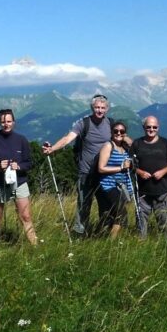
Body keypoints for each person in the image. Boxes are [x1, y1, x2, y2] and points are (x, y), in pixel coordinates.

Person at [42, 94, 123, 237]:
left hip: (104, 173)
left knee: (105, 206)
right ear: (92, 108)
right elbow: (68, 138)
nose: (99, 110)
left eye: (102, 108)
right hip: (86, 172)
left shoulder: (110, 124)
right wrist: (53, 148)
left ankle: (102, 232)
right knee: (83, 205)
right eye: (97, 107)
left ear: (107, 109)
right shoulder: (83, 123)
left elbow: (120, 137)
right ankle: (80, 235)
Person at [0, 109, 37, 248]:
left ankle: (35, 246)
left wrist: (19, 166)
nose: (6, 124)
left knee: (26, 216)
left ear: (14, 122)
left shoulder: (21, 140)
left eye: (9, 121)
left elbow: (29, 163)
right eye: (3, 122)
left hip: (19, 182)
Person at [130, 115, 167, 238]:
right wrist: (140, 172)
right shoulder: (137, 143)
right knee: (141, 225)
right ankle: (141, 248)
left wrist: (162, 172)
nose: (151, 129)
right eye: (148, 127)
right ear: (143, 127)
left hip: (161, 191)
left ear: (158, 127)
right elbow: (129, 165)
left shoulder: (164, 142)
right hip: (142, 192)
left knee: (164, 224)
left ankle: (166, 249)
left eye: (154, 127)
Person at [96, 121, 135, 239]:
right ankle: (111, 241)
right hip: (109, 185)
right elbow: (101, 168)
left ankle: (102, 236)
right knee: (121, 214)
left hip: (122, 185)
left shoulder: (125, 147)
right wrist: (121, 167)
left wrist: (129, 141)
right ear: (111, 132)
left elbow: (138, 150)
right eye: (116, 131)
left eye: (122, 131)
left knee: (111, 214)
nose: (118, 133)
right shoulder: (108, 146)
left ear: (125, 134)